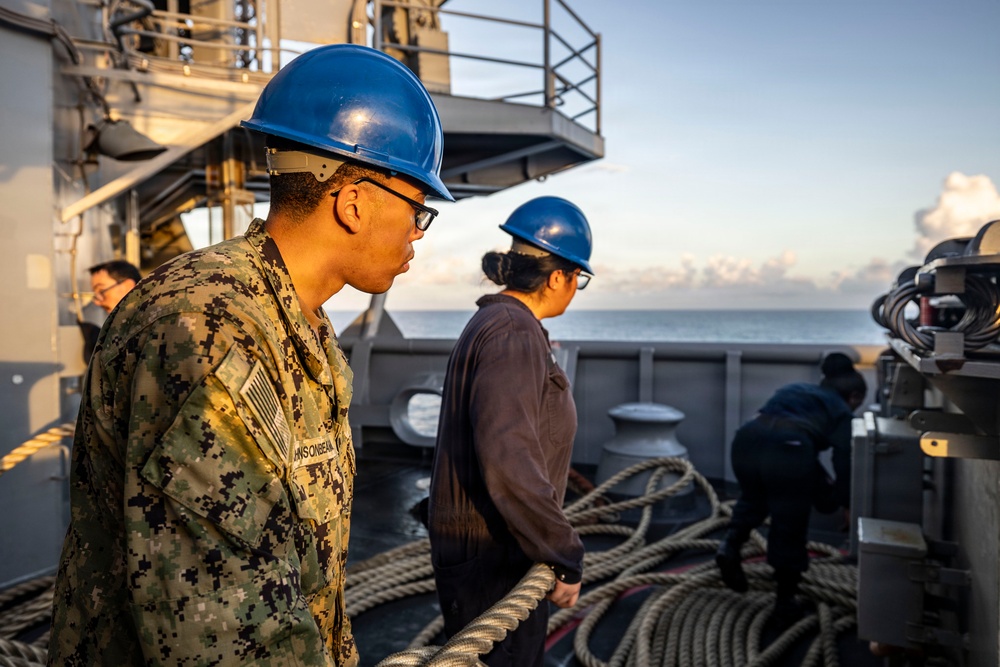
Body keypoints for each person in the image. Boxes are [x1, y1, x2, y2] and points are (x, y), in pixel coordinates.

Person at [49, 44, 452, 667]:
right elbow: (219, 629)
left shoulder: (294, 320)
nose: (416, 235)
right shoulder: (209, 331)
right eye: (417, 210)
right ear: (353, 204)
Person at [427, 196, 593, 667]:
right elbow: (510, 458)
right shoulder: (514, 333)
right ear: (558, 276)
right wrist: (565, 554)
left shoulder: (499, 323)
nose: (575, 287)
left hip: (489, 551)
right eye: (578, 278)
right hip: (496, 560)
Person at [715, 352, 867, 625]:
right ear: (854, 396)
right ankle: (785, 602)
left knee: (754, 498)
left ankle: (729, 546)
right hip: (788, 449)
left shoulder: (795, 389)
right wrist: (847, 504)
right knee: (789, 523)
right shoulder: (842, 412)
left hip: (747, 440)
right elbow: (843, 461)